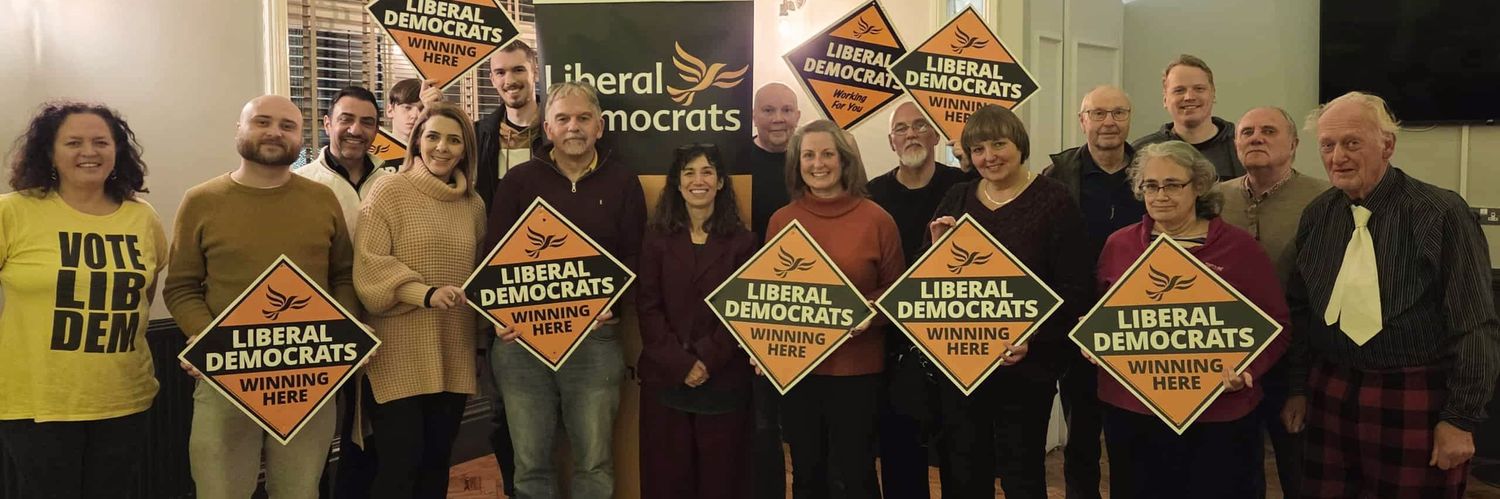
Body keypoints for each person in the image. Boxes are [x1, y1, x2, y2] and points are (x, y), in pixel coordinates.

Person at [1282, 91, 1500, 498]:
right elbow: (1301, 309)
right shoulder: (1317, 216)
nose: (1338, 157)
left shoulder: (1440, 212)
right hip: (1329, 390)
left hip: (1413, 396)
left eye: (1352, 143)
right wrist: (1297, 387)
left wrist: (1461, 418)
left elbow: (1474, 324)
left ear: (1387, 145)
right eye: (1327, 145)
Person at [164, 95, 358, 499]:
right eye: (262, 122)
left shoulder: (322, 199)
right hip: (225, 376)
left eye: (287, 126)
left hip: (307, 375)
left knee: (300, 490)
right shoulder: (201, 201)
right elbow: (181, 287)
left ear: (301, 137)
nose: (274, 132)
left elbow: (342, 275)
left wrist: (344, 334)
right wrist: (207, 339)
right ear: (239, 129)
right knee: (220, 490)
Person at [1094, 141, 1290, 499]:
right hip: (1134, 413)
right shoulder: (1119, 246)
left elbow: (1277, 325)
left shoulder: (1239, 248)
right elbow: (1101, 315)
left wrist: (1247, 368)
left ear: (1198, 186)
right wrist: (1095, 340)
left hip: (1220, 415)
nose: (1160, 195)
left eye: (1172, 184)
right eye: (1150, 185)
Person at [486, 81, 646, 499]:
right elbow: (493, 258)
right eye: (563, 118)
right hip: (522, 342)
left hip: (595, 339)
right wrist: (498, 316)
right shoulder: (518, 181)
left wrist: (615, 306)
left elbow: (635, 257)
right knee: (530, 467)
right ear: (548, 129)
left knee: (594, 461)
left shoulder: (623, 182)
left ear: (599, 126)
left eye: (583, 118)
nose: (573, 126)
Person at [0, 102, 167, 498]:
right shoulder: (13, 211)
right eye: (73, 142)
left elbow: (143, 294)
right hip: (37, 402)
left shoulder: (142, 217)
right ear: (50, 151)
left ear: (117, 151)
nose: (88, 152)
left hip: (124, 398)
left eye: (101, 142)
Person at [926, 105, 1094, 499]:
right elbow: (927, 283)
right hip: (963, 366)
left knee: (1022, 476)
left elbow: (1075, 287)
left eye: (999, 144)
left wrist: (1033, 337)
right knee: (965, 473)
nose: (989, 156)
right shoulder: (957, 197)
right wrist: (936, 249)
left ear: (1019, 144)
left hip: (1027, 369)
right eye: (978, 149)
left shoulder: (1054, 199)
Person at [350, 103, 486, 498]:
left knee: (436, 465)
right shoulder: (388, 190)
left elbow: (479, 277)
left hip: (453, 350)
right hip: (397, 354)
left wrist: (481, 341)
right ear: (416, 141)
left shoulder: (474, 205)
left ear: (465, 150)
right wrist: (423, 294)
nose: (442, 147)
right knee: (399, 468)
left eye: (454, 140)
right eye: (433, 137)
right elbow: (369, 268)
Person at [764, 119, 904, 499]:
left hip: (858, 371)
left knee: (856, 475)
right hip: (800, 371)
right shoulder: (782, 221)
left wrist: (867, 312)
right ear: (797, 164)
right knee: (807, 474)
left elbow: (896, 293)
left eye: (827, 154)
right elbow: (771, 295)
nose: (818, 163)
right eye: (808, 155)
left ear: (844, 160)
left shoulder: (878, 220)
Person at [1214, 106, 1330, 497]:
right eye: (1247, 132)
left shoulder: (1324, 199)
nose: (1256, 138)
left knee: (1300, 470)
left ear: (1293, 144)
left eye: (1268, 131)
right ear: (1236, 144)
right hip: (1230, 358)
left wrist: (1300, 384)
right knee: (1235, 474)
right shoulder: (1213, 199)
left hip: (1297, 357)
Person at [636, 143, 757, 499]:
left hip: (723, 381)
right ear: (677, 183)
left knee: (722, 483)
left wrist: (705, 359)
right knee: (667, 482)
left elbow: (741, 311)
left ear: (720, 182)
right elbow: (647, 307)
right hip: (666, 380)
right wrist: (682, 363)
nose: (698, 180)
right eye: (689, 173)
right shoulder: (655, 239)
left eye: (707, 172)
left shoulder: (744, 243)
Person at [1039, 85, 1142, 499]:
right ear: (1082, 121)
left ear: (1130, 118)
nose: (1109, 122)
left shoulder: (1152, 170)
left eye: (1118, 112)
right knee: (1081, 431)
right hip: (1077, 320)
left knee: (1132, 433)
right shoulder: (1056, 175)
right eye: (1098, 114)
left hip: (1139, 321)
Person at [864, 101, 965, 499]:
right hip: (894, 341)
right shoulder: (873, 194)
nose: (911, 134)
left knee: (960, 452)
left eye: (920, 125)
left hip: (955, 337)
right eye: (901, 129)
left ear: (935, 134)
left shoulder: (963, 187)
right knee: (900, 451)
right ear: (892, 142)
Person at [738, 81, 801, 499]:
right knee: (763, 427)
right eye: (768, 110)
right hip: (756, 311)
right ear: (754, 116)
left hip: (812, 307)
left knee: (808, 425)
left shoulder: (812, 159)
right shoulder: (736, 162)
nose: (778, 119)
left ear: (798, 116)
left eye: (786, 110)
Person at [1132, 54, 1243, 180]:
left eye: (1199, 89)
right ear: (1165, 99)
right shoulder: (1141, 153)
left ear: (1213, 94)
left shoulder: (1242, 145)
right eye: (1179, 90)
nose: (1189, 97)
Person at [298, 86, 391, 235]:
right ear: (327, 124)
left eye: (367, 122)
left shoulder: (391, 186)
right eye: (346, 119)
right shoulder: (301, 184)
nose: (355, 130)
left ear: (376, 131)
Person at [475, 40, 543, 210]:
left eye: (518, 70)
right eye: (500, 72)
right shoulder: (477, 135)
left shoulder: (557, 132)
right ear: (492, 80)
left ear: (535, 73)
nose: (510, 80)